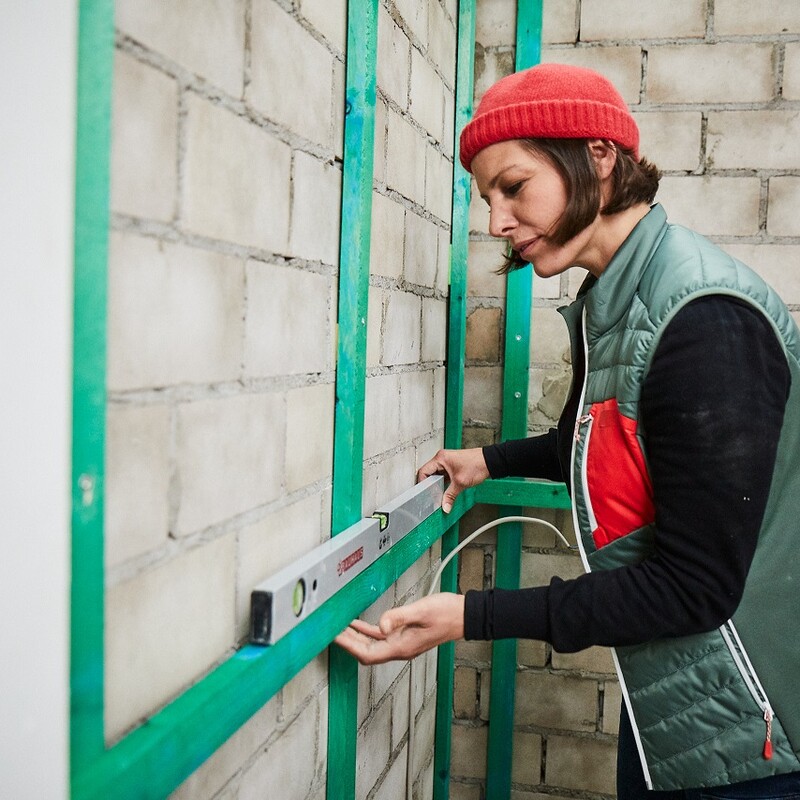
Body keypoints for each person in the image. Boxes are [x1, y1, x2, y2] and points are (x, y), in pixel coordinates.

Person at [334, 63, 800, 798]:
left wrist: (471, 616)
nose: (496, 221)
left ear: (599, 158)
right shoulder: (618, 297)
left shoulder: (703, 319)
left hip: (754, 730)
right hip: (677, 703)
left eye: (513, 187)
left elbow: (695, 589)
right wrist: (483, 461)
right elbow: (609, 446)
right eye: (487, 198)